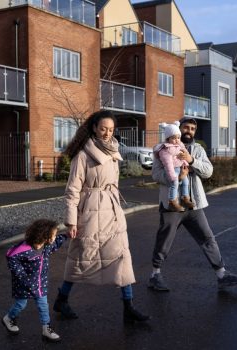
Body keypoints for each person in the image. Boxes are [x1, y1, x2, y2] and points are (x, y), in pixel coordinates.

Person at [52, 109, 149, 323]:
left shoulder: (113, 150)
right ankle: (62, 299)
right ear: (94, 128)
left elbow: (112, 184)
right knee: (80, 259)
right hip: (89, 214)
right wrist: (71, 221)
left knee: (122, 257)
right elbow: (72, 190)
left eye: (111, 129)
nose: (107, 133)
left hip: (113, 213)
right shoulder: (83, 155)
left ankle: (128, 307)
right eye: (103, 128)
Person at [149, 117, 237, 293]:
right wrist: (175, 177)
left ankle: (221, 275)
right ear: (179, 129)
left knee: (207, 238)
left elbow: (208, 172)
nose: (189, 131)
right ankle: (155, 274)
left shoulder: (197, 149)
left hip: (194, 205)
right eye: (186, 127)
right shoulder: (163, 149)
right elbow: (155, 174)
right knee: (165, 240)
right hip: (172, 205)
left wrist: (191, 160)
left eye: (192, 129)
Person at [2, 218, 67, 342]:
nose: (55, 237)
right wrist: (23, 277)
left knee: (43, 304)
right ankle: (8, 318)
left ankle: (46, 329)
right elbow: (11, 256)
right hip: (23, 284)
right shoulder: (24, 249)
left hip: (39, 283)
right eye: (53, 235)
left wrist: (67, 235)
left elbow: (57, 242)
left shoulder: (46, 245)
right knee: (21, 304)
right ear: (44, 235)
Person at [154, 121, 195, 212]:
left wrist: (186, 161)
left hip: (181, 168)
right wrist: (174, 176)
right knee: (175, 183)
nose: (177, 140)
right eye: (174, 138)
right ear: (168, 138)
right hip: (174, 170)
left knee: (186, 182)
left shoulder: (179, 145)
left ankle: (185, 198)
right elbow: (168, 164)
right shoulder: (166, 150)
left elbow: (184, 154)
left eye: (178, 137)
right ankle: (172, 200)